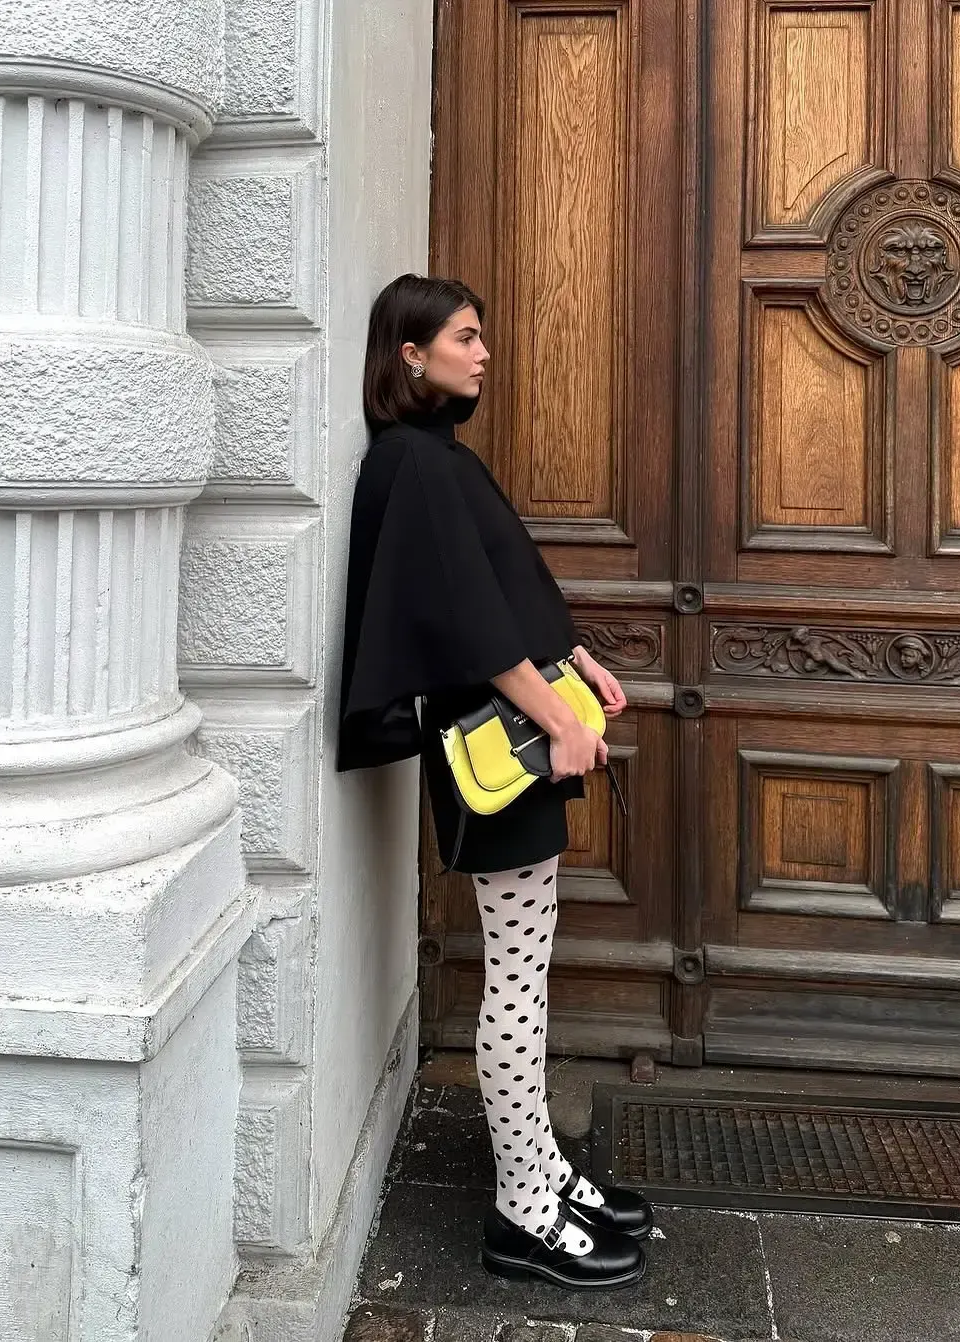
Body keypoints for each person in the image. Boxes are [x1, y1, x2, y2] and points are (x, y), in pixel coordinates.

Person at [336, 275, 653, 1288]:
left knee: (529, 970)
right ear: (410, 354)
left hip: (516, 742)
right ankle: (522, 1209)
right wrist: (560, 719)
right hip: (499, 756)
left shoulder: (437, 458)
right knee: (516, 979)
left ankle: (543, 1170)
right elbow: (466, 623)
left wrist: (580, 662)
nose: (483, 354)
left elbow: (506, 585)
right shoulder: (412, 462)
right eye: (465, 337)